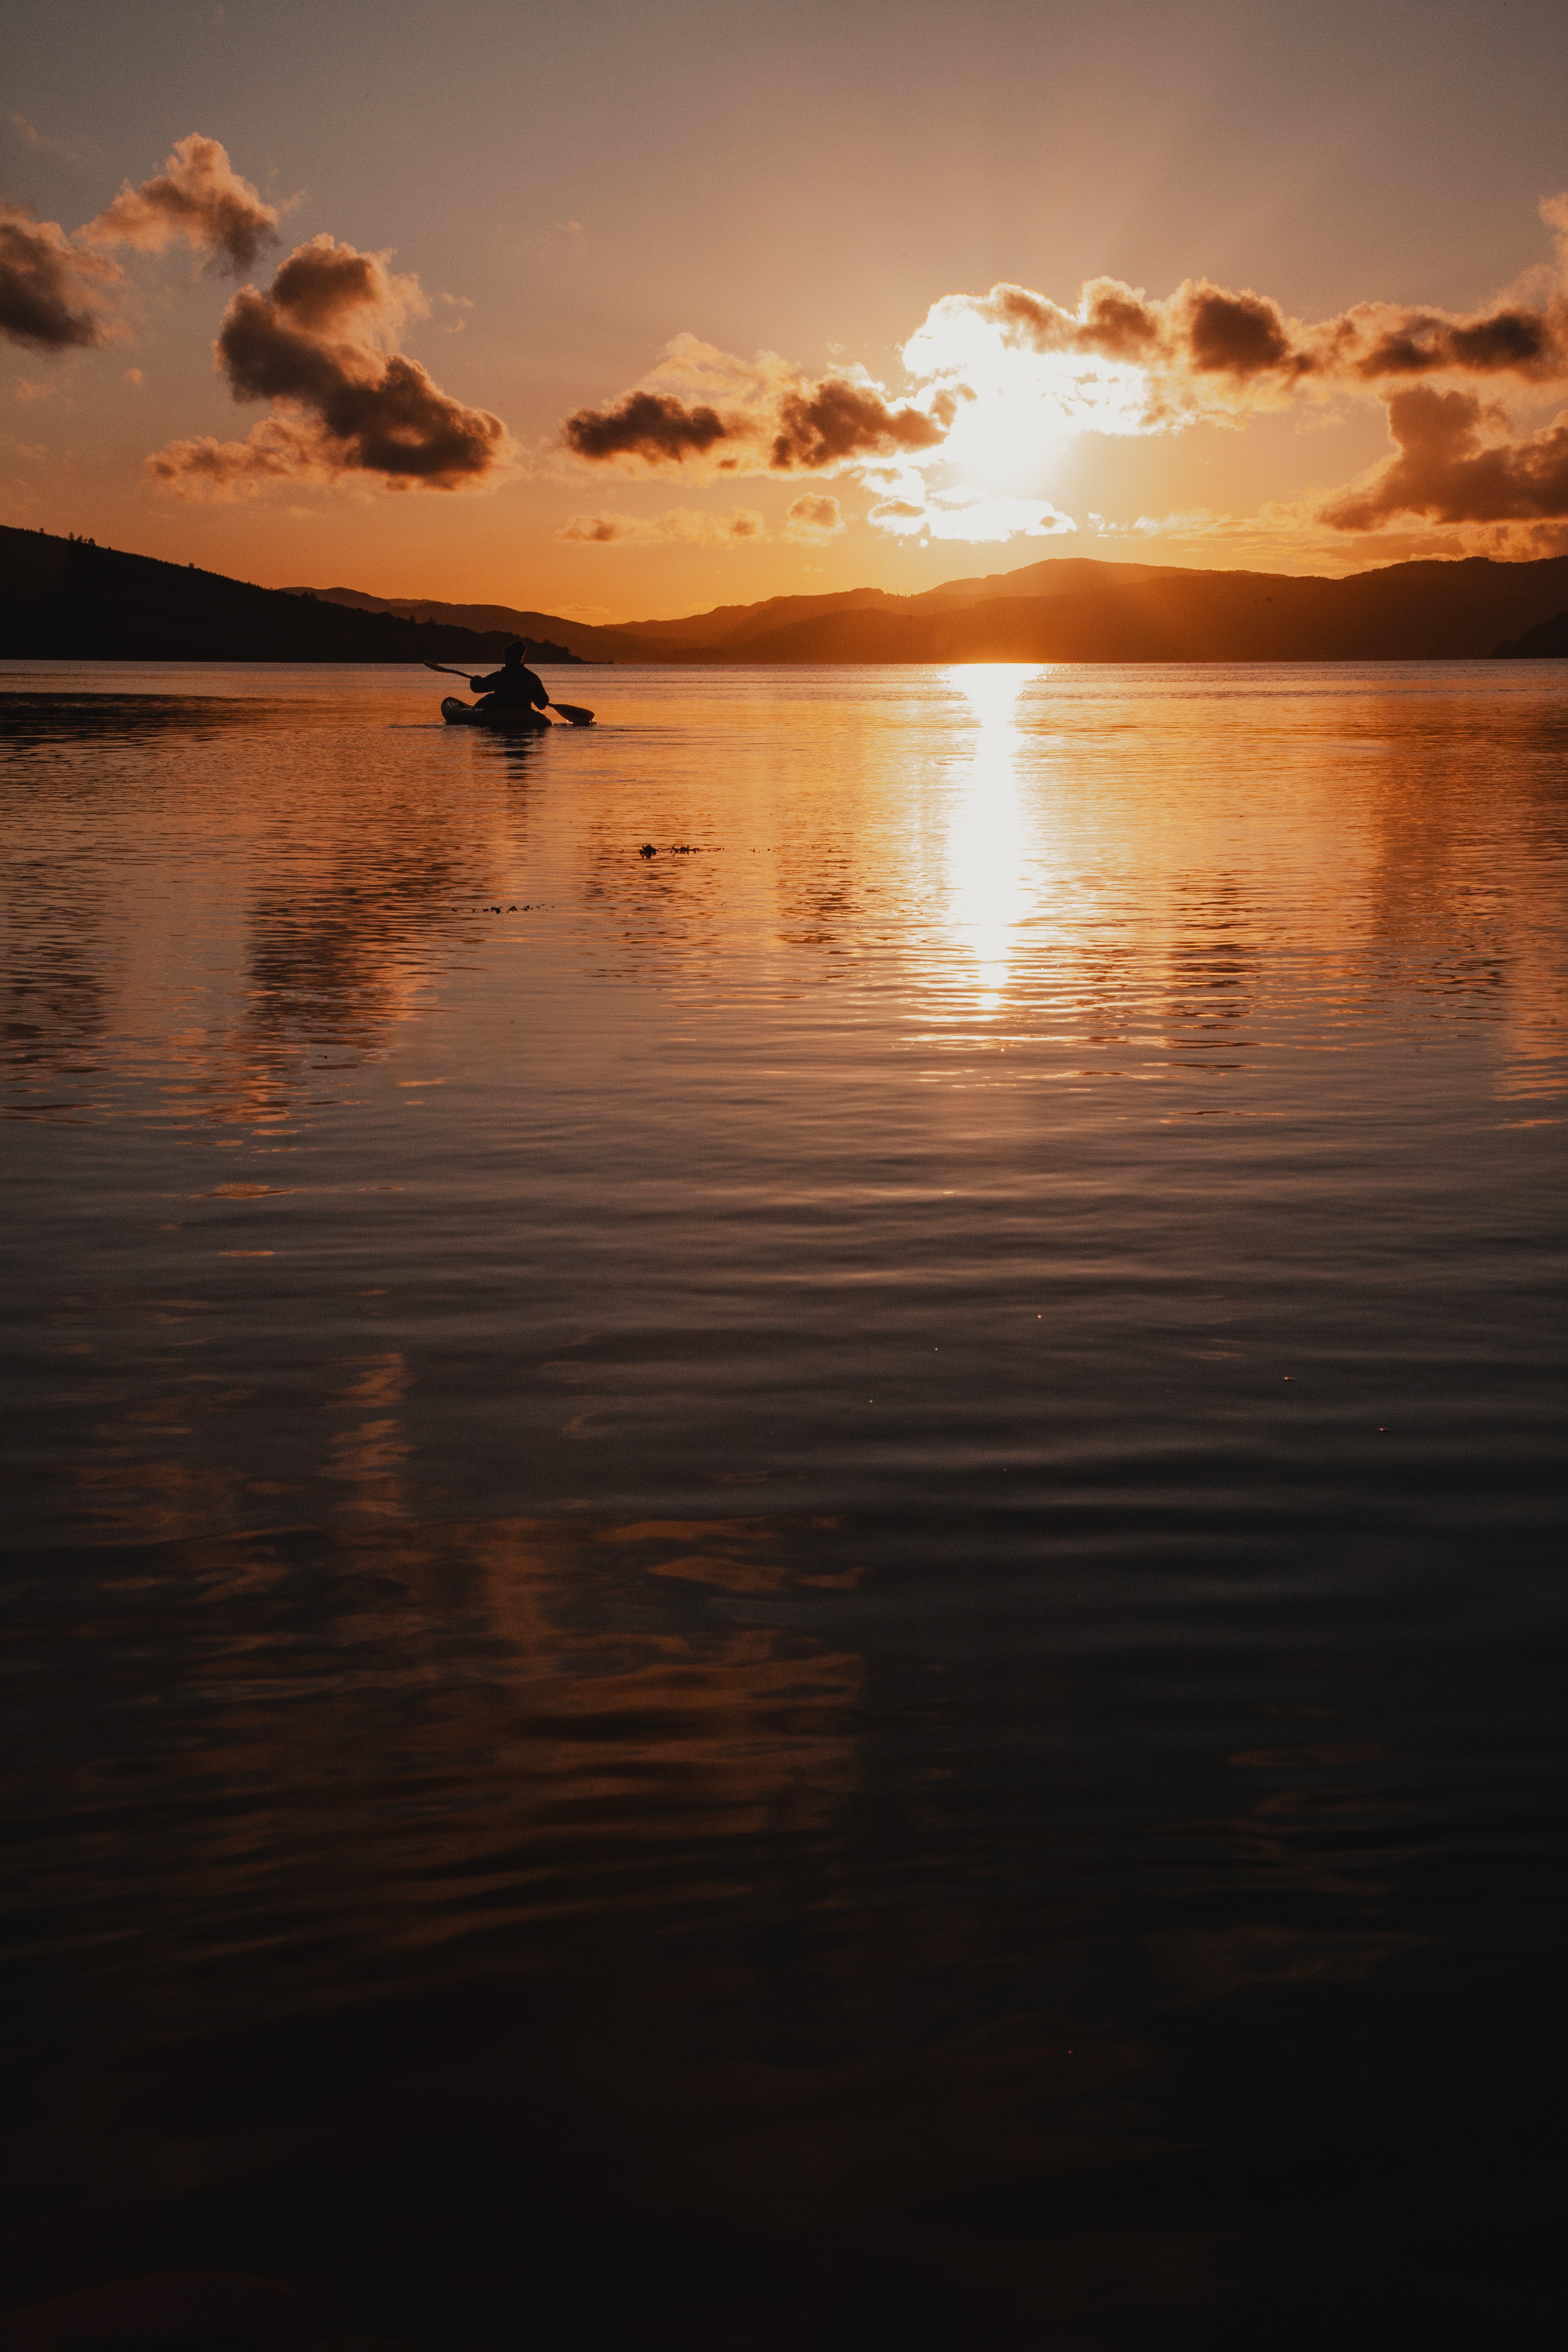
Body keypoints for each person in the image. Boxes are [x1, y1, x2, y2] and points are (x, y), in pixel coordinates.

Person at [470, 641, 551, 718]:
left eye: (507, 658)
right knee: (490, 697)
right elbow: (542, 704)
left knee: (489, 698)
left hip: (502, 715)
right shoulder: (532, 678)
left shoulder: (500, 677)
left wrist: (476, 680)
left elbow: (477, 687)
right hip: (524, 713)